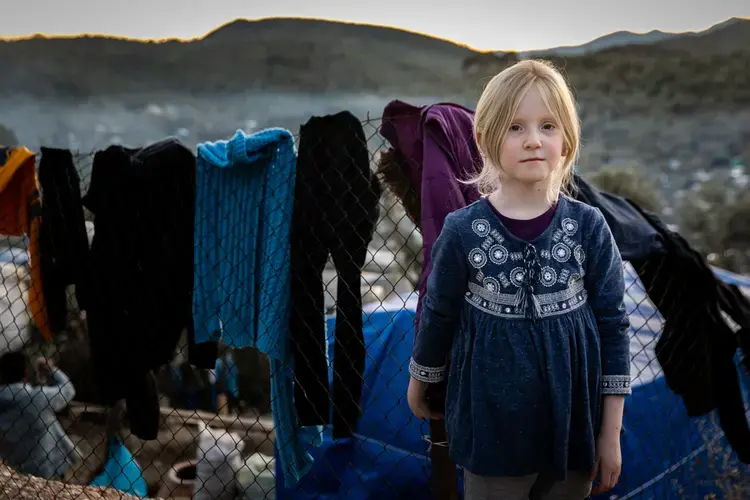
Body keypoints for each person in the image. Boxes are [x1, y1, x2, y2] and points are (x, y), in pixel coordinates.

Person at [407, 59, 631, 500]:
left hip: (572, 431)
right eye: (515, 128)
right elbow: (439, 314)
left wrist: (610, 435)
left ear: (566, 141)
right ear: (487, 139)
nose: (533, 141)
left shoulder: (588, 227)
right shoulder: (462, 229)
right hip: (489, 431)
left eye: (548, 126)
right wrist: (421, 381)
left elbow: (613, 327)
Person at [0, 352, 79, 480]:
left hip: (14, 475)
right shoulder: (39, 397)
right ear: (25, 374)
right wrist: (51, 370)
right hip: (50, 469)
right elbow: (68, 390)